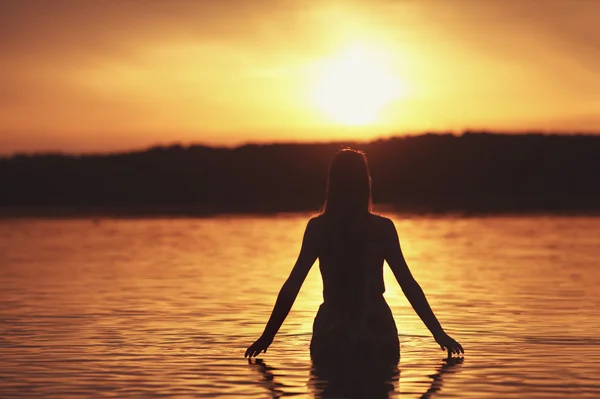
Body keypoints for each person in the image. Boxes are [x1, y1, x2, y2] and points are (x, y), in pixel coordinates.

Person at [245, 149, 463, 363]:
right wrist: (438, 333)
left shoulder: (319, 228)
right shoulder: (382, 229)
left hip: (333, 332)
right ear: (365, 182)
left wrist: (268, 336)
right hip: (375, 330)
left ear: (332, 184)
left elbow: (293, 285)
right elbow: (408, 284)